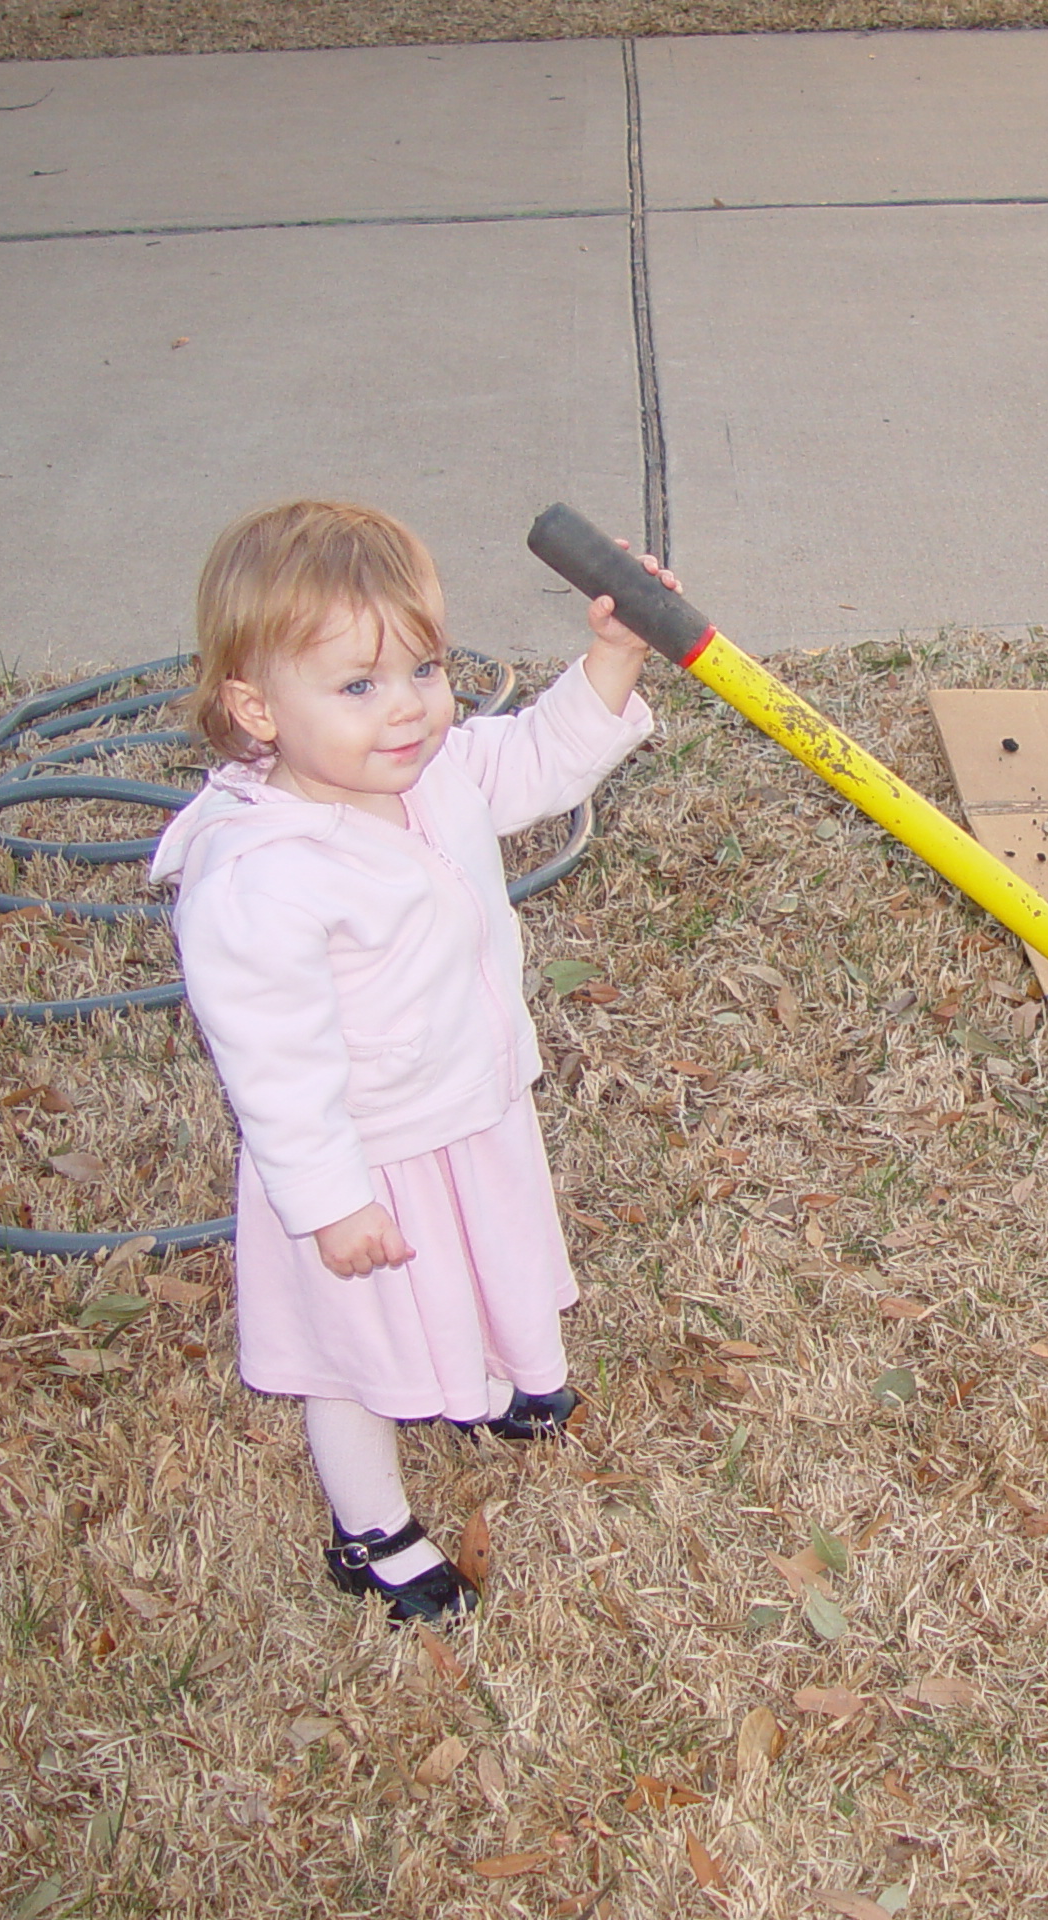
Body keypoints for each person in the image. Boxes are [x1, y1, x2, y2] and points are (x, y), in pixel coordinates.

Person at [151, 500, 666, 1622]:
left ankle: (503, 1379)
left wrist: (612, 656)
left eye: (424, 671)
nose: (408, 711)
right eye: (357, 686)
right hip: (366, 1160)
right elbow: (275, 1069)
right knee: (357, 1351)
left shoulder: (428, 772)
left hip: (467, 1105)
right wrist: (329, 1202)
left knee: (487, 1256)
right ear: (255, 709)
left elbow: (535, 758)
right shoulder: (259, 880)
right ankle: (370, 1527)